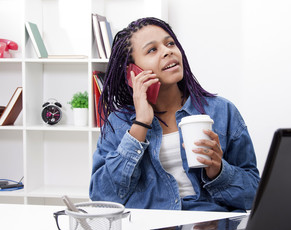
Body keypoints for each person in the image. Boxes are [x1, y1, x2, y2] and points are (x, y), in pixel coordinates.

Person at [90, 17, 260, 212]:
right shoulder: (118, 123)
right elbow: (101, 197)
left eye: (170, 43)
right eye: (152, 50)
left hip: (210, 225)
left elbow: (254, 194)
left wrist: (218, 171)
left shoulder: (222, 111)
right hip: (150, 226)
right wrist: (141, 124)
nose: (168, 51)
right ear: (132, 72)